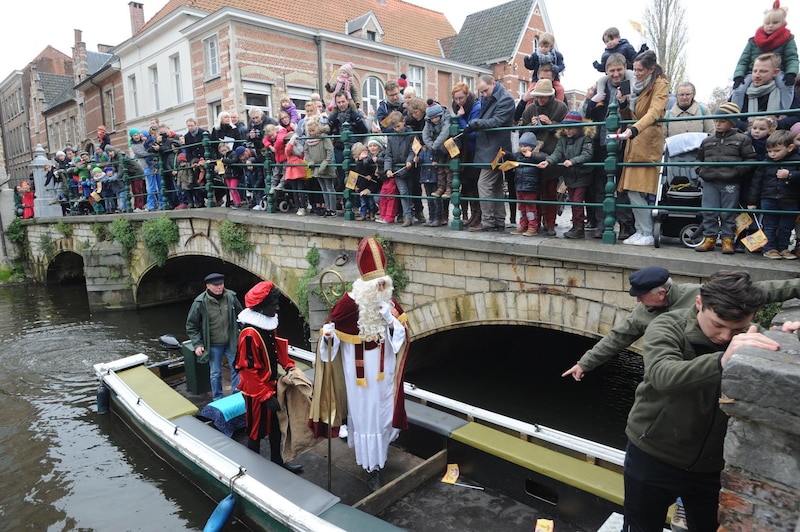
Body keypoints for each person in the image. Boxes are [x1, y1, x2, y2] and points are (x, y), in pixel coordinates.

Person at [621, 270, 797, 531]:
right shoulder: (667, 325)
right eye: (717, 324)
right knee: (641, 526)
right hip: (654, 455)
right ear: (700, 303)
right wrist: (720, 361)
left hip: (713, 465)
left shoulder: (750, 336)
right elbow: (661, 375)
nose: (725, 337)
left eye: (735, 329)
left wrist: (787, 342)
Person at [561, 265, 800, 382]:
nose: (636, 299)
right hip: (683, 377)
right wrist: (585, 364)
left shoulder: (704, 295)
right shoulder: (643, 313)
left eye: (641, 294)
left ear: (661, 294)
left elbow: (766, 290)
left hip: (721, 372)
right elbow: (617, 338)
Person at [310, 237, 410, 492]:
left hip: (384, 371)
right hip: (358, 378)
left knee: (384, 414)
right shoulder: (346, 306)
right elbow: (328, 346)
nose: (380, 289)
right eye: (375, 285)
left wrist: (390, 319)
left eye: (382, 284)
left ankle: (381, 455)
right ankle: (371, 468)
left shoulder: (389, 302)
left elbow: (403, 338)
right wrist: (328, 337)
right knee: (365, 418)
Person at [234, 280, 303, 473]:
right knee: (255, 430)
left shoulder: (267, 324)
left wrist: (288, 365)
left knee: (274, 426)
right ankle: (252, 471)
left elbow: (276, 347)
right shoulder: (249, 335)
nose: (277, 307)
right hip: (256, 391)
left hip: (271, 386)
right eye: (273, 304)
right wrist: (265, 397)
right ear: (262, 306)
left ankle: (277, 461)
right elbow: (247, 372)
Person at [615, 50, 670, 247]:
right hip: (634, 142)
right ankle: (641, 230)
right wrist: (623, 104)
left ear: (651, 69)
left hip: (646, 142)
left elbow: (655, 111)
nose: (636, 73)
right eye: (635, 69)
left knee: (638, 189)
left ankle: (646, 231)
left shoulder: (660, 84)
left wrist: (635, 128)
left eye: (640, 70)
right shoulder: (637, 86)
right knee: (631, 189)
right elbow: (632, 114)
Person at [582, 53, 637, 239]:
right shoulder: (601, 86)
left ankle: (625, 225)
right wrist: (591, 102)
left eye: (619, 70)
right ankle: (601, 223)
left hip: (623, 142)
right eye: (612, 71)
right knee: (600, 187)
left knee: (622, 187)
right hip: (602, 142)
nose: (615, 74)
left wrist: (625, 101)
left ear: (624, 69)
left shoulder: (632, 86)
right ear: (606, 71)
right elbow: (587, 116)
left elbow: (634, 113)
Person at [695, 102, 757, 253]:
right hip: (710, 181)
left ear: (732, 122)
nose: (717, 124)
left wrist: (736, 172)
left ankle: (727, 239)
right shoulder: (707, 140)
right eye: (716, 120)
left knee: (728, 211)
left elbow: (751, 159)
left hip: (731, 182)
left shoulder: (742, 139)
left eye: (722, 121)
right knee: (709, 210)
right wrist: (701, 171)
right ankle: (709, 238)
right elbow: (698, 160)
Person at [466, 74, 515, 232]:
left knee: (484, 183)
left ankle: (488, 221)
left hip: (496, 148)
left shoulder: (505, 99)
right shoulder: (492, 97)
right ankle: (499, 220)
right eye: (481, 92)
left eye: (486, 91)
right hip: (490, 147)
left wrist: (476, 123)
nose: (484, 95)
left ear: (494, 83)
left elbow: (498, 121)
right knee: (496, 186)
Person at [520, 78, 568, 235]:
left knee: (550, 192)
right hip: (533, 157)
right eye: (537, 96)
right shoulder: (530, 109)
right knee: (535, 191)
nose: (539, 99)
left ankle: (550, 223)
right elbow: (521, 132)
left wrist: (551, 123)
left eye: (543, 96)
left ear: (550, 95)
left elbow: (568, 132)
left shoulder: (561, 107)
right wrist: (530, 126)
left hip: (553, 156)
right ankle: (536, 222)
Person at [186, 273, 243, 401]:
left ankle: (237, 396)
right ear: (208, 286)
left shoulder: (231, 297)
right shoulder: (200, 302)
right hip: (213, 344)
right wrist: (197, 344)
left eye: (221, 284)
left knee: (237, 368)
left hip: (231, 342)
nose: (219, 287)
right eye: (216, 285)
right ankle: (218, 399)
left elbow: (242, 317)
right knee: (215, 373)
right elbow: (191, 325)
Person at [537, 111, 594, 239]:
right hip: (569, 175)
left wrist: (573, 161)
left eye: (570, 128)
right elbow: (557, 153)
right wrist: (548, 161)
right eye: (566, 127)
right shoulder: (563, 139)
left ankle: (579, 227)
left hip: (581, 175)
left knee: (577, 201)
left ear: (578, 127)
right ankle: (576, 226)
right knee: (574, 201)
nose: (567, 130)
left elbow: (587, 154)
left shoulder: (586, 138)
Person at [747, 129, 800, 259]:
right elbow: (756, 182)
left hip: (790, 198)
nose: (772, 155)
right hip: (768, 198)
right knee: (769, 225)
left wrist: (790, 175)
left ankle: (784, 248)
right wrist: (752, 201)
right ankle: (770, 248)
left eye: (777, 151)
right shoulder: (766, 163)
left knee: (786, 226)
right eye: (770, 151)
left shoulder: (796, 161)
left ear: (790, 148)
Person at [733, 1, 798, 91]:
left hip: (778, 72)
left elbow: (792, 58)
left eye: (775, 23)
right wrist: (738, 76)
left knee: (786, 86)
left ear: (782, 24)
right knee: (739, 89)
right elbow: (743, 60)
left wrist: (791, 73)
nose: (770, 26)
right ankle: (735, 105)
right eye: (767, 23)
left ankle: (786, 105)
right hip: (754, 73)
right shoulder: (753, 41)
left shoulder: (788, 40)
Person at [730, 53, 800, 131]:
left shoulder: (785, 92)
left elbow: (797, 117)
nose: (757, 75)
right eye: (755, 71)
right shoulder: (742, 93)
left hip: (777, 138)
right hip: (745, 138)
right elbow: (727, 116)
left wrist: (772, 125)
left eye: (763, 71)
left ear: (775, 72)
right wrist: (753, 127)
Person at [451, 82, 482, 226]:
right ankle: (465, 215)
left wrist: (461, 118)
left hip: (474, 150)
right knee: (464, 184)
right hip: (462, 151)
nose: (458, 102)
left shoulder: (476, 107)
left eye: (461, 98)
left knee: (473, 184)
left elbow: (472, 132)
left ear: (467, 95)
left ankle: (477, 215)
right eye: (456, 99)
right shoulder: (457, 107)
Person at [383, 111, 416, 226]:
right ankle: (407, 216)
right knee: (403, 192)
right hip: (397, 169)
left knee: (410, 191)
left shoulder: (411, 134)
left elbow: (413, 150)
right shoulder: (391, 138)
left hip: (409, 169)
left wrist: (409, 160)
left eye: (398, 126)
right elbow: (388, 155)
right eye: (394, 127)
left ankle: (412, 213)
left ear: (403, 122)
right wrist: (388, 169)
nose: (396, 129)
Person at [509, 132, 545, 236]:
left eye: (525, 146)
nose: (523, 148)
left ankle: (532, 226)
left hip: (530, 187)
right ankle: (523, 225)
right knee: (521, 207)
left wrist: (532, 155)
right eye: (521, 146)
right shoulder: (519, 155)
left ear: (533, 147)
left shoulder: (537, 155)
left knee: (530, 208)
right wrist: (506, 154)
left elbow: (544, 157)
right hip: (520, 185)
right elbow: (512, 156)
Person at [422, 100, 453, 199]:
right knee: (440, 169)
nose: (435, 120)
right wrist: (432, 146)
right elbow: (425, 135)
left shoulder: (446, 119)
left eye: (436, 117)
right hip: (438, 149)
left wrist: (434, 145)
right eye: (432, 118)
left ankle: (449, 188)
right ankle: (441, 187)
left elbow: (444, 133)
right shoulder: (428, 123)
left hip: (449, 147)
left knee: (449, 168)